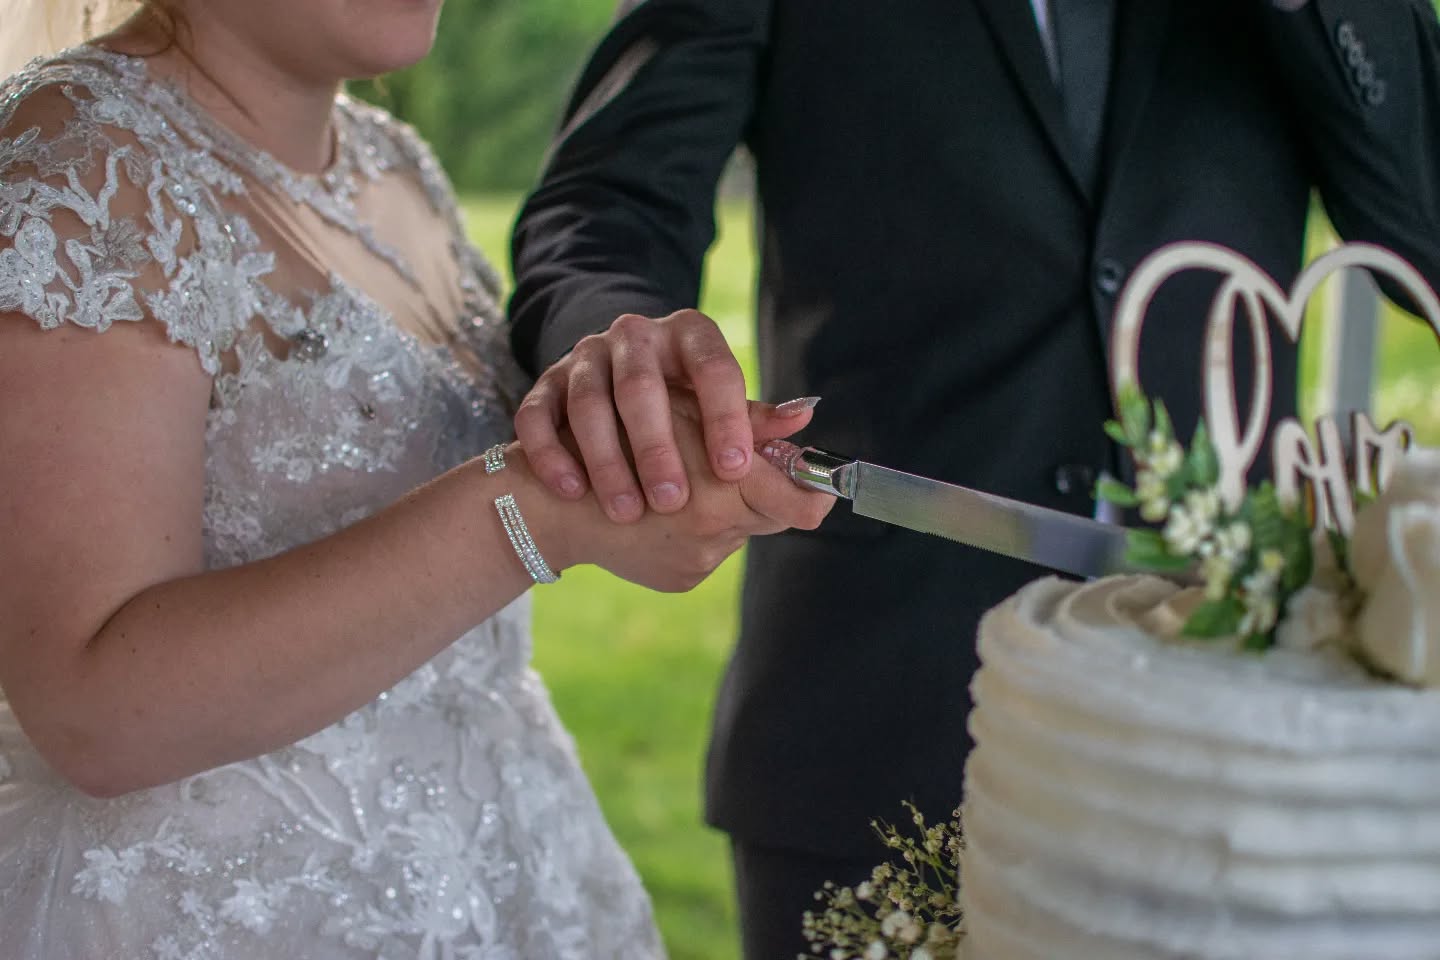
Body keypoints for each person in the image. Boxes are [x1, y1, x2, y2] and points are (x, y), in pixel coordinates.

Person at [506, 0, 1440, 955]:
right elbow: (603, 210)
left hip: (1239, 766)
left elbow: (1423, 235)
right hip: (879, 719)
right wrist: (620, 351)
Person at [0, 1, 836, 957]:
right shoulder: (81, 169)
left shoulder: (396, 167)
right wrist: (532, 518)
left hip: (494, 865)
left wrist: (650, 437)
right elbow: (94, 711)